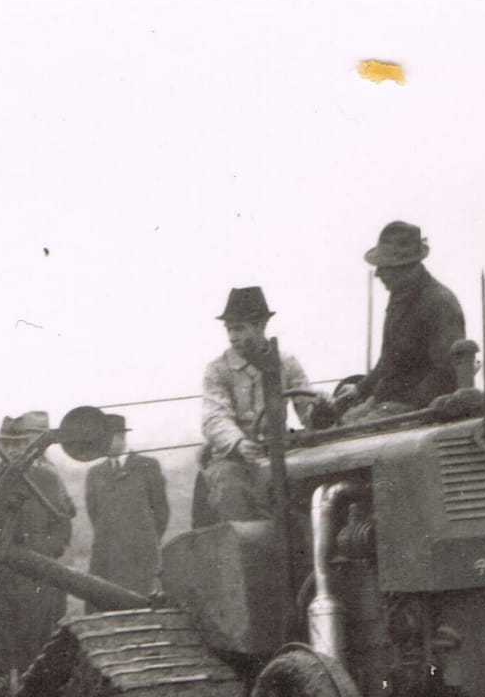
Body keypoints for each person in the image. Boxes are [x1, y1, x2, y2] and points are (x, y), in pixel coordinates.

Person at [0, 410, 75, 677]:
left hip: (37, 581)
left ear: (28, 445)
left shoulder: (47, 479)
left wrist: (46, 553)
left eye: (19, 443)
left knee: (34, 653)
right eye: (7, 444)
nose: (13, 450)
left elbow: (62, 525)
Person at [196, 286, 318, 526]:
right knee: (231, 492)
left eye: (239, 328)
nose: (232, 336)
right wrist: (239, 443)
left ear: (261, 326)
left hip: (281, 454)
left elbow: (307, 406)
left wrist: (318, 412)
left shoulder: (286, 363)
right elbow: (214, 417)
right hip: (236, 461)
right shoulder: (217, 370)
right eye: (229, 328)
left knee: (307, 499)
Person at [334, 221, 467, 423]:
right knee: (338, 425)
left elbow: (445, 373)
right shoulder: (400, 297)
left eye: (384, 267)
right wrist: (360, 389)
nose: (378, 274)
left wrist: (404, 407)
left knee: (351, 437)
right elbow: (389, 360)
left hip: (416, 406)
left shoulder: (438, 302)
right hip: (387, 400)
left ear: (405, 268)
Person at [83, 413, 169, 594]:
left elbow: (161, 512)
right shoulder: (95, 473)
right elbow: (94, 514)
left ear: (121, 437)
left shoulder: (147, 466)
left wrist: (145, 539)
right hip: (106, 557)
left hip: (141, 555)